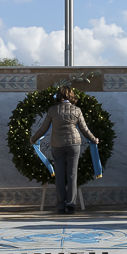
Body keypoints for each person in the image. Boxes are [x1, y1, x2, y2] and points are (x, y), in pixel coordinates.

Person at [30, 86, 98, 214]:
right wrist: (94, 139)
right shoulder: (77, 110)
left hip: (57, 144)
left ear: (58, 96)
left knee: (59, 175)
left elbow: (43, 128)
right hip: (74, 144)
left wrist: (33, 139)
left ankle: (61, 205)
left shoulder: (52, 110)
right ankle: (71, 205)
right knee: (72, 175)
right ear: (71, 96)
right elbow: (84, 129)